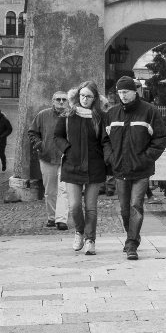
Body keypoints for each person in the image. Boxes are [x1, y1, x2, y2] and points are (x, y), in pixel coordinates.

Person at [103, 75, 166, 260]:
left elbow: (160, 138)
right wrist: (111, 158)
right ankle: (132, 235)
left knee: (135, 205)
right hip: (120, 169)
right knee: (124, 209)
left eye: (126, 92)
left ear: (135, 91)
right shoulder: (112, 113)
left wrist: (146, 158)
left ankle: (132, 244)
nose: (122, 95)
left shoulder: (149, 111)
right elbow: (104, 140)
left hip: (141, 170)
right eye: (120, 92)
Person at [55, 82, 108, 255]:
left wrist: (104, 157)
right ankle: (79, 231)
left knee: (91, 207)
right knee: (74, 206)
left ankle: (90, 240)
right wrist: (68, 150)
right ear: (77, 96)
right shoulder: (68, 114)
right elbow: (58, 136)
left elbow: (106, 140)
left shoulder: (100, 116)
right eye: (82, 96)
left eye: (88, 96)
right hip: (72, 165)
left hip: (94, 166)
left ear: (95, 99)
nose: (84, 99)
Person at [27, 91, 69, 229]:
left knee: (64, 190)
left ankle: (61, 219)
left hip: (66, 158)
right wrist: (39, 144)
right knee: (50, 190)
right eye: (58, 99)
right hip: (47, 157)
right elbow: (32, 132)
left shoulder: (71, 116)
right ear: (53, 101)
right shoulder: (43, 115)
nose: (61, 102)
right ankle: (52, 217)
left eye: (64, 99)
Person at [0, 108, 11, 172]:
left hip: (2, 140)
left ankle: (4, 165)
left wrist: (3, 135)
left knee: (1, 154)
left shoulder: (4, 120)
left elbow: (9, 129)